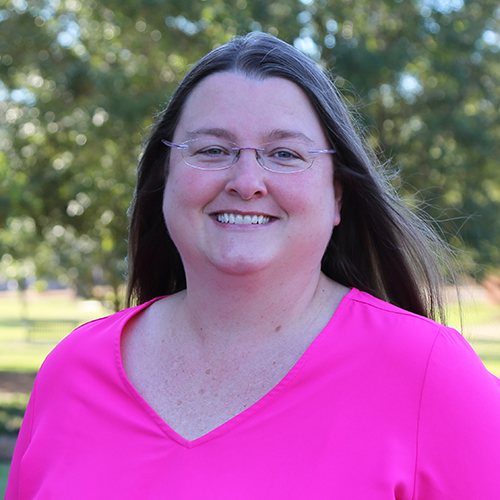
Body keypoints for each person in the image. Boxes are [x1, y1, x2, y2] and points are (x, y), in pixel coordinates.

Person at [6, 32, 500, 499]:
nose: (246, 180)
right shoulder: (71, 373)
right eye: (212, 150)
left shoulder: (430, 379)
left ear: (337, 196)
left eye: (284, 153)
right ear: (166, 181)